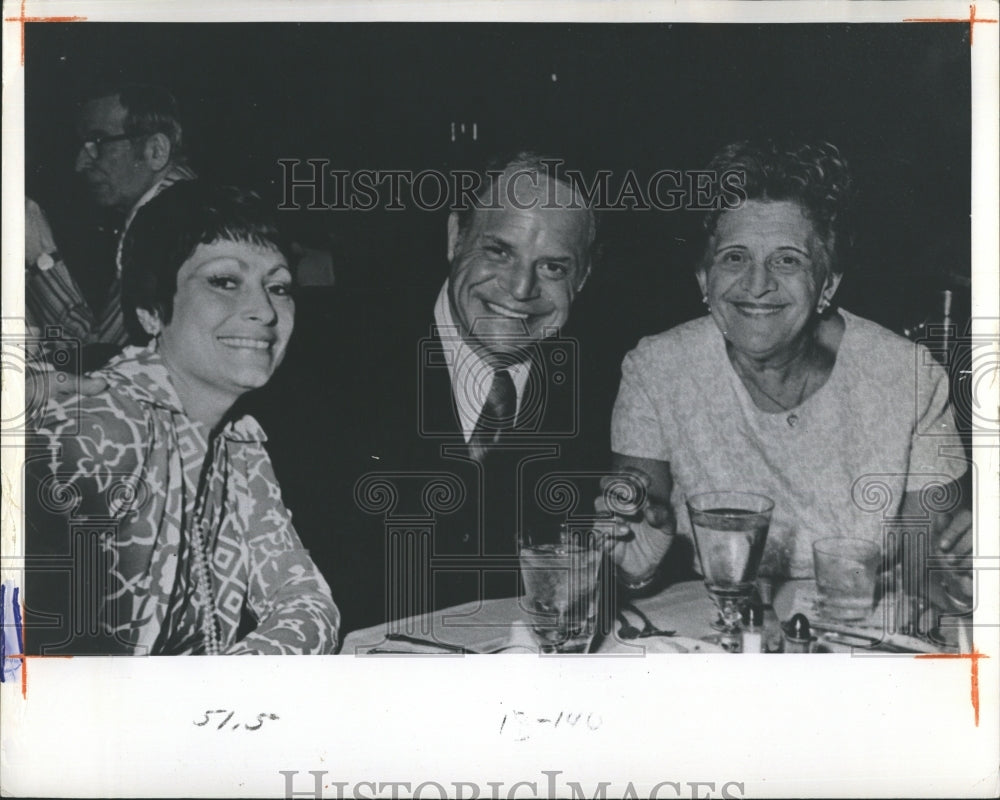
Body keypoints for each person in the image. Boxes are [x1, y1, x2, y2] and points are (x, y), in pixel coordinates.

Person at [602, 140, 972, 615]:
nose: (757, 284)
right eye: (734, 257)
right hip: (710, 635)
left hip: (857, 639)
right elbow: (634, 548)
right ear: (702, 278)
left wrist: (959, 573)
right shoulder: (657, 369)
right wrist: (629, 558)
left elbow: (931, 570)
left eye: (787, 260)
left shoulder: (910, 377)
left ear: (828, 283)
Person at [258, 152, 614, 633]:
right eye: (499, 251)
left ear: (584, 278)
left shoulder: (602, 387)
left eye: (553, 267)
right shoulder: (323, 360)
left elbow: (578, 576)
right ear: (454, 238)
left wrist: (626, 568)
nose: (521, 288)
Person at [25, 181, 340, 655]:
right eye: (224, 281)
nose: (264, 310)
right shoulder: (102, 425)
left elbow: (307, 601)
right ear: (152, 310)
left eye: (278, 287)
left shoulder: (237, 441)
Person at [26, 84, 196, 363]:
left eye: (98, 143)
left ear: (156, 150)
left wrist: (41, 256)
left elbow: (100, 360)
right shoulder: (180, 208)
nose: (80, 163)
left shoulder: (170, 224)